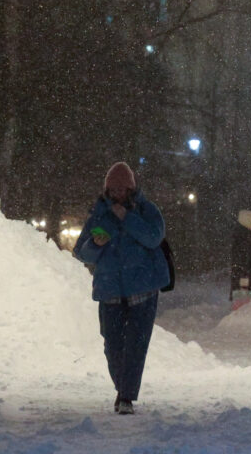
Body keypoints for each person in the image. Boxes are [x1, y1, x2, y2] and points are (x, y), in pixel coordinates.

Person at [73, 162, 169, 416]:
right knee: (113, 345)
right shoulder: (99, 214)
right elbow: (82, 252)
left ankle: (125, 396)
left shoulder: (147, 210)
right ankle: (123, 387)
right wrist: (95, 243)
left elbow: (153, 237)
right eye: (112, 189)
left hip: (143, 289)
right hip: (110, 291)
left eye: (122, 189)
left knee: (136, 345)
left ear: (131, 189)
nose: (117, 194)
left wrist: (128, 218)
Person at [230, 209, 251, 304]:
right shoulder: (243, 238)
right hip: (245, 280)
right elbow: (241, 261)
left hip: (248, 278)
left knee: (246, 306)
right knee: (245, 306)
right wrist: (244, 281)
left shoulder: (248, 236)